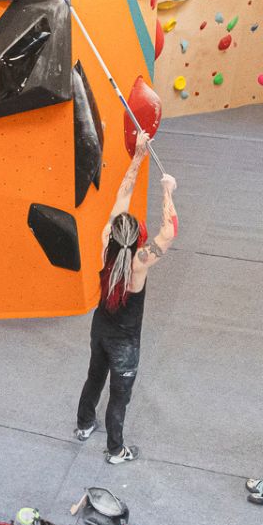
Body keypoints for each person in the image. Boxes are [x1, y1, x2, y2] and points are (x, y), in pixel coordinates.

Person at [75, 148, 177, 465]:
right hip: (125, 344)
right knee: (120, 396)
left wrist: (138, 157)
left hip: (100, 328)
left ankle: (83, 425)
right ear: (136, 241)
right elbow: (170, 229)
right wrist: (166, 190)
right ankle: (117, 449)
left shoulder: (107, 240)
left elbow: (121, 198)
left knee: (94, 376)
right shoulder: (140, 262)